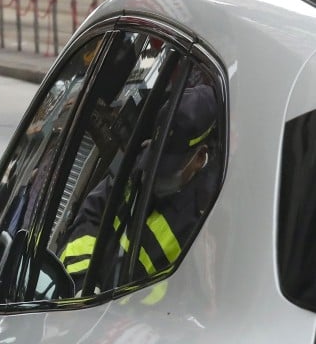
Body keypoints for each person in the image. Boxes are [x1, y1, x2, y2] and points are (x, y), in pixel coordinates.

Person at [59, 83, 219, 291]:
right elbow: (92, 214)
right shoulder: (136, 168)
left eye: (168, 167)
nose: (155, 175)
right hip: (95, 309)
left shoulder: (206, 218)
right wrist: (82, 282)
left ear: (200, 157)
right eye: (155, 158)